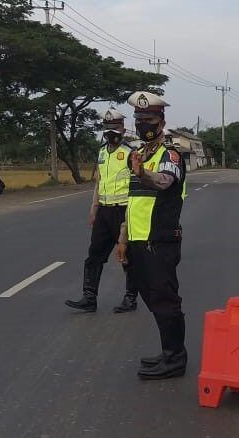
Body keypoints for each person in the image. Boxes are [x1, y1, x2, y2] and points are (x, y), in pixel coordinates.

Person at [115, 91, 188, 380]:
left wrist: (143, 173)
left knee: (165, 300)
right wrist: (122, 239)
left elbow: (164, 182)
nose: (144, 124)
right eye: (139, 119)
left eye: (149, 119)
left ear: (161, 121)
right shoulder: (139, 154)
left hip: (160, 241)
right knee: (152, 299)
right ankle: (168, 351)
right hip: (137, 241)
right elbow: (132, 202)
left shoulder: (170, 155)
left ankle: (175, 358)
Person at [65, 107, 137, 313]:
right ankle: (89, 298)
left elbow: (135, 185)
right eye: (107, 128)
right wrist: (93, 209)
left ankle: (130, 298)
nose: (110, 132)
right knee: (94, 255)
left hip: (123, 210)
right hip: (104, 212)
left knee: (126, 256)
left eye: (114, 128)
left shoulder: (131, 154)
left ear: (123, 129)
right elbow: (99, 182)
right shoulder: (102, 152)